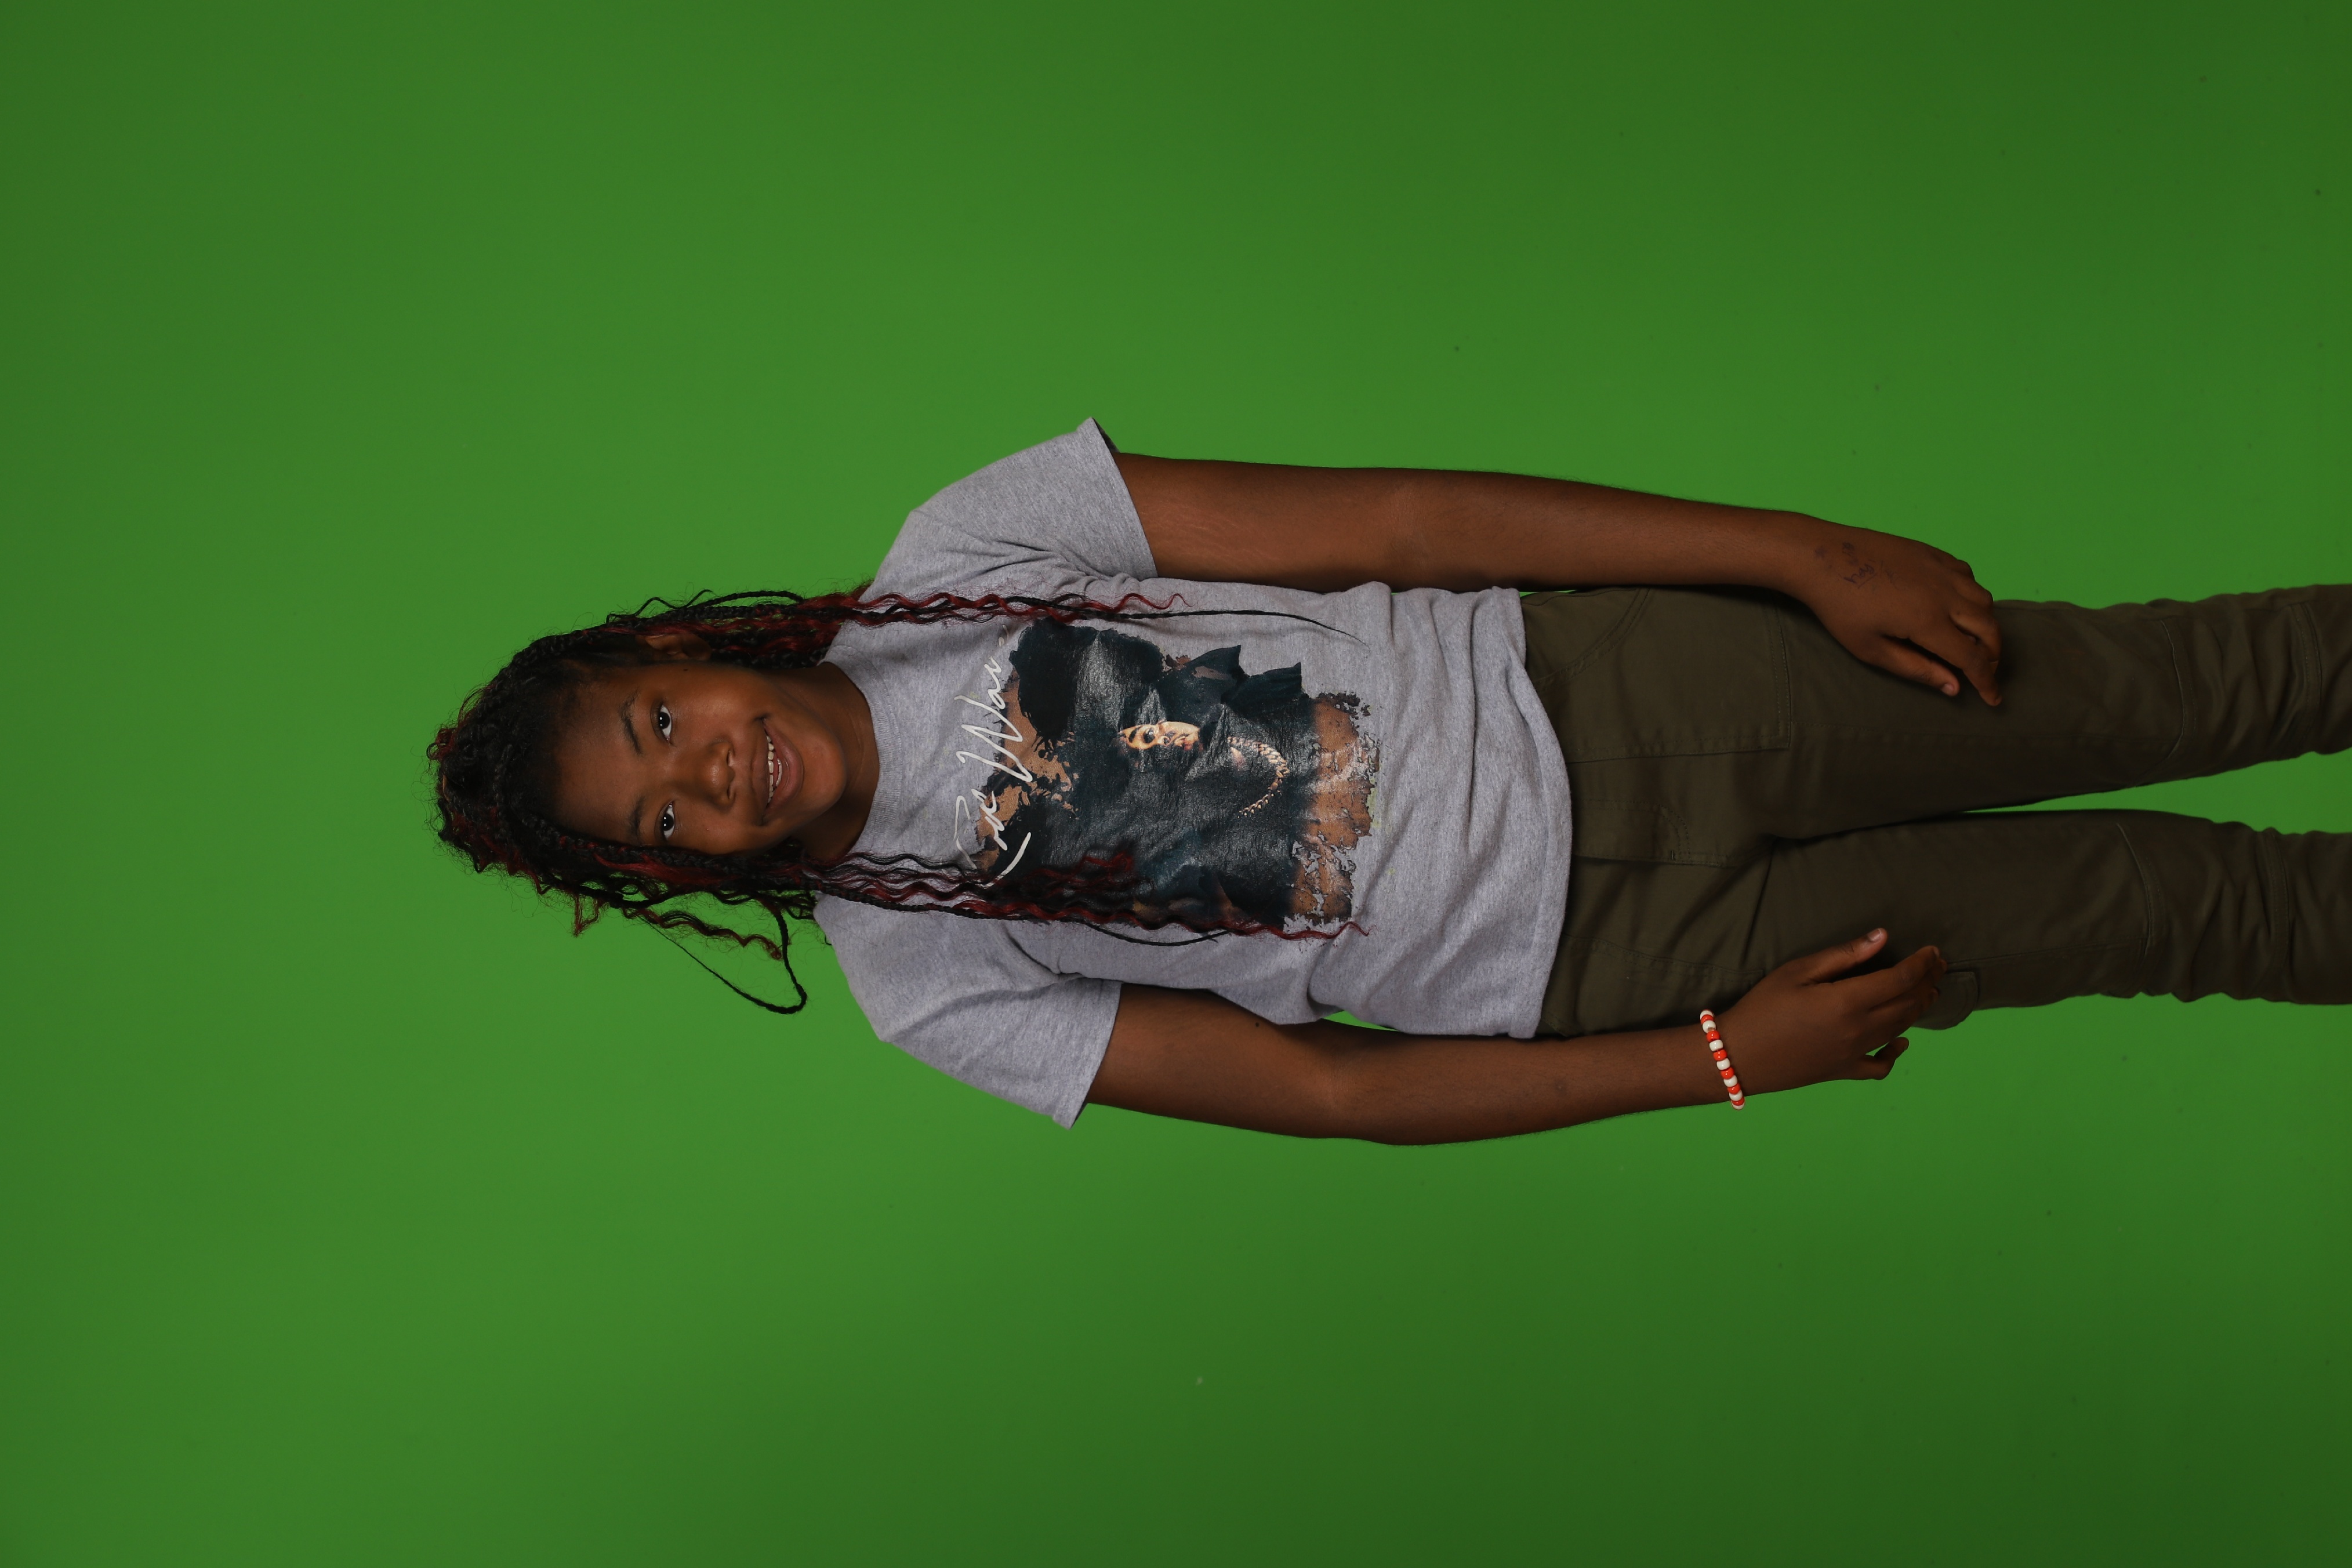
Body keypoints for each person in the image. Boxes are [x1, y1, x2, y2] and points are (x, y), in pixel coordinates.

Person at [430, 420, 2351, 1144]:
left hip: (1627, 690)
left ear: (672, 649)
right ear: (674, 873)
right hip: (1626, 954)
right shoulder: (924, 982)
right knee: (2174, 914)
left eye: (660, 726)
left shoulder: (971, 544)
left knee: (2183, 684)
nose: (712, 776)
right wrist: (1714, 1059)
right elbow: (1329, 1090)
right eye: (663, 819)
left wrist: (1794, 551)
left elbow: (1411, 520)